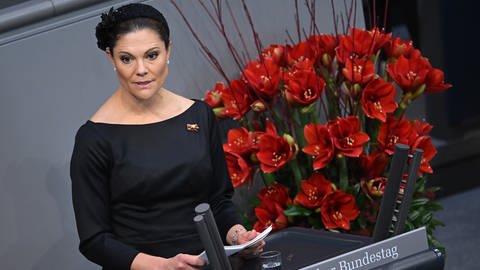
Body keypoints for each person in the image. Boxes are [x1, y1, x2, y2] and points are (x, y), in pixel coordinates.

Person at [70, 3, 264, 270]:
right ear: (111, 59)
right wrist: (161, 266)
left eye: (152, 55)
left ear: (168, 50)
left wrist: (238, 235)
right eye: (127, 58)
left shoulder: (199, 115)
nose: (141, 69)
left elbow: (218, 201)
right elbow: (95, 239)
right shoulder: (94, 138)